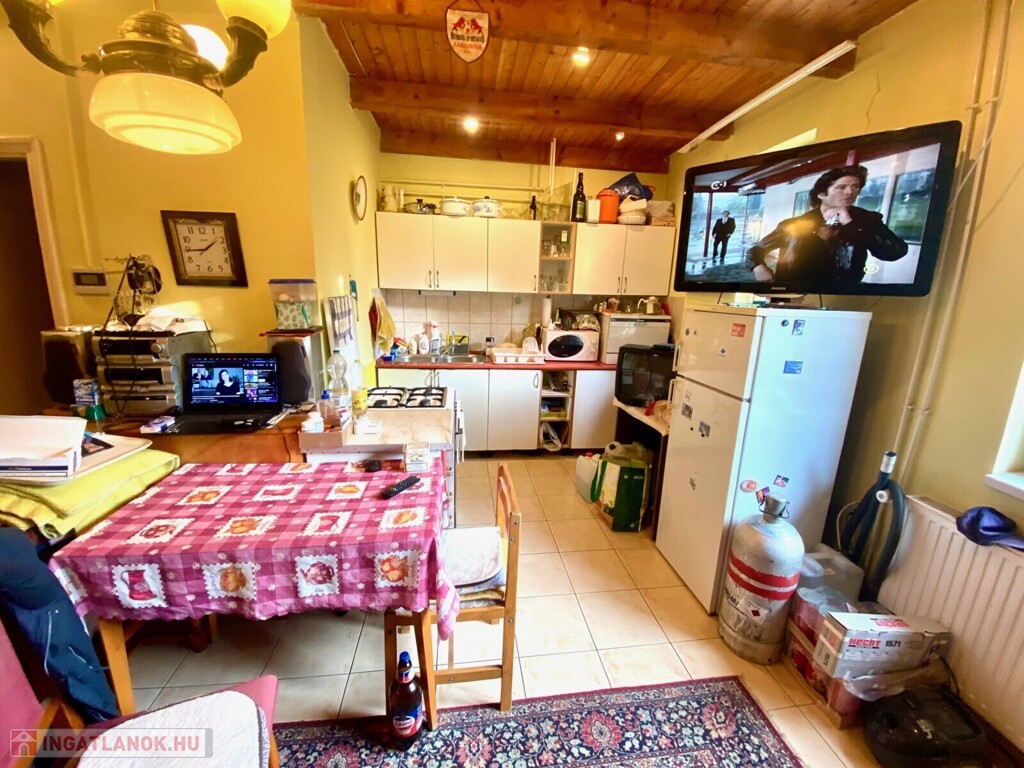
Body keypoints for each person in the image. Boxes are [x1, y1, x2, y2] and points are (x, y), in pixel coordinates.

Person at [746, 165, 908, 287]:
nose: (850, 192)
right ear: (822, 194)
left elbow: (894, 252)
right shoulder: (794, 224)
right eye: (841, 187)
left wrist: (851, 225)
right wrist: (758, 267)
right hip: (794, 293)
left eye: (855, 187)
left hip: (843, 295)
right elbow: (756, 250)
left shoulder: (867, 220)